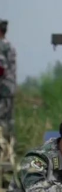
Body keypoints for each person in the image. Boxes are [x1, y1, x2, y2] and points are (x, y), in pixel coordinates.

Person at [0, 19, 16, 151]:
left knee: (2, 119)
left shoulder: (1, 46)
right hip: (9, 88)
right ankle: (9, 148)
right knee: (8, 119)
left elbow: (1, 68)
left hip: (2, 89)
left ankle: (3, 150)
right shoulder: (9, 45)